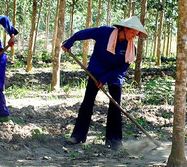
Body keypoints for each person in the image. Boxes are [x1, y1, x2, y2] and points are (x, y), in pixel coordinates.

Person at [62, 16, 148, 149]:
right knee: (88, 102)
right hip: (96, 71)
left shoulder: (131, 48)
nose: (134, 36)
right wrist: (70, 42)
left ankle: (114, 141)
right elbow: (84, 33)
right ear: (124, 29)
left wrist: (105, 78)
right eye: (132, 32)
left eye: (136, 34)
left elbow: (122, 68)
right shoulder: (104, 32)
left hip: (114, 76)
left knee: (115, 106)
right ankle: (77, 136)